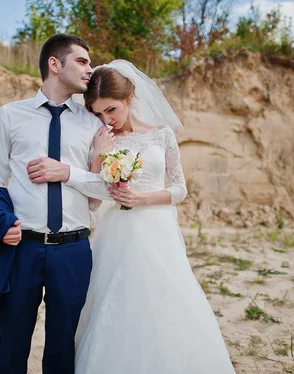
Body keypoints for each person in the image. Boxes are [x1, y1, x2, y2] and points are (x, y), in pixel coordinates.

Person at [72, 60, 237, 373]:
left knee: (167, 300)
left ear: (129, 100)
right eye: (98, 113)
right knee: (118, 303)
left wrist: (142, 199)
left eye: (111, 110)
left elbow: (180, 189)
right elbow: (92, 204)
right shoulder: (103, 140)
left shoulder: (162, 135)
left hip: (156, 230)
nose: (106, 120)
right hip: (116, 234)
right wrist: (96, 157)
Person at [0, 34, 114, 374]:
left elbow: (102, 192)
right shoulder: (10, 116)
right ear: (55, 64)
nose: (90, 69)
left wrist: (68, 172)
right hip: (20, 247)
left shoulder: (95, 123)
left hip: (73, 250)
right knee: (12, 346)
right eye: (82, 61)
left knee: (63, 348)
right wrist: (1, 222)